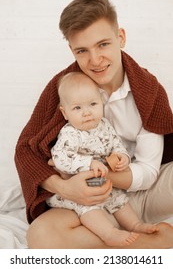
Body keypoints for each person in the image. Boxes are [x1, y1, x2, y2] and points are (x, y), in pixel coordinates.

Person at [15, 0, 173, 249]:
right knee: (41, 236)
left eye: (103, 44)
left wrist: (101, 172)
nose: (95, 60)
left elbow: (148, 172)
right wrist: (66, 188)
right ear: (71, 50)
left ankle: (125, 231)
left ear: (120, 38)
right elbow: (24, 150)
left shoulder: (148, 90)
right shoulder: (63, 89)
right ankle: (155, 242)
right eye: (82, 50)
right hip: (89, 200)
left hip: (145, 192)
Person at [46, 71, 158, 247]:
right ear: (65, 113)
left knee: (119, 200)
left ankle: (136, 225)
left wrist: (123, 157)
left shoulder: (104, 125)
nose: (87, 113)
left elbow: (116, 145)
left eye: (92, 104)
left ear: (101, 102)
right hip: (79, 189)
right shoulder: (70, 133)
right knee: (88, 210)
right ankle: (109, 234)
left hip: (104, 183)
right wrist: (89, 163)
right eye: (77, 108)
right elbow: (59, 158)